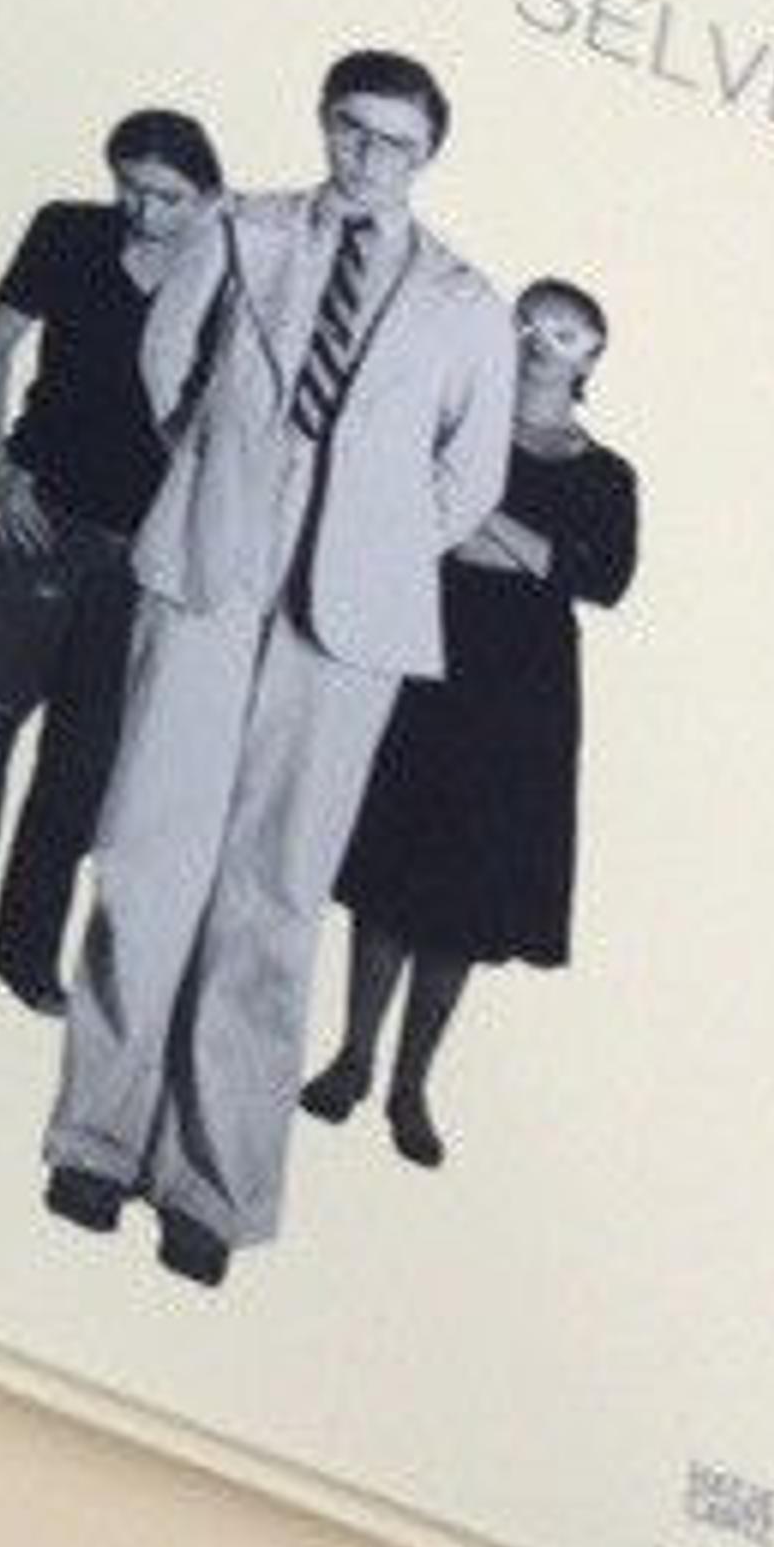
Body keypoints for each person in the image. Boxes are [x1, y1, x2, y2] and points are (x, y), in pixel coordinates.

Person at [41, 50, 514, 1285]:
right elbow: (166, 363)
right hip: (208, 567)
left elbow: (470, 479)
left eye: (395, 142)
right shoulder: (241, 230)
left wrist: (364, 538)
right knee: (147, 856)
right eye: (352, 129)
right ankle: (94, 1144)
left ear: (427, 156)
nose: (368, 157)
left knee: (276, 894)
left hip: (348, 617)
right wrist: (220, 475)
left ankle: (212, 1187)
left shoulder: (467, 304)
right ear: (322, 123)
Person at [0, 110, 222, 1016]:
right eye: (130, 188)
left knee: (84, 760)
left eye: (169, 196)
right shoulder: (67, 231)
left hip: (145, 549)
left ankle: (29, 957)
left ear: (209, 197)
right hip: (40, 518)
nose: (145, 211)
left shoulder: (229, 276)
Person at [304, 278, 639, 1166]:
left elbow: (604, 579)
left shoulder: (607, 475)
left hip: (524, 692)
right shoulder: (460, 426)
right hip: (429, 652)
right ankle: (351, 1059)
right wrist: (531, 549)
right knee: (391, 863)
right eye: (527, 322)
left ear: (591, 359)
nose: (537, 342)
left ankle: (411, 1087)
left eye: (563, 333)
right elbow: (414, 521)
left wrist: (483, 518)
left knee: (467, 892)